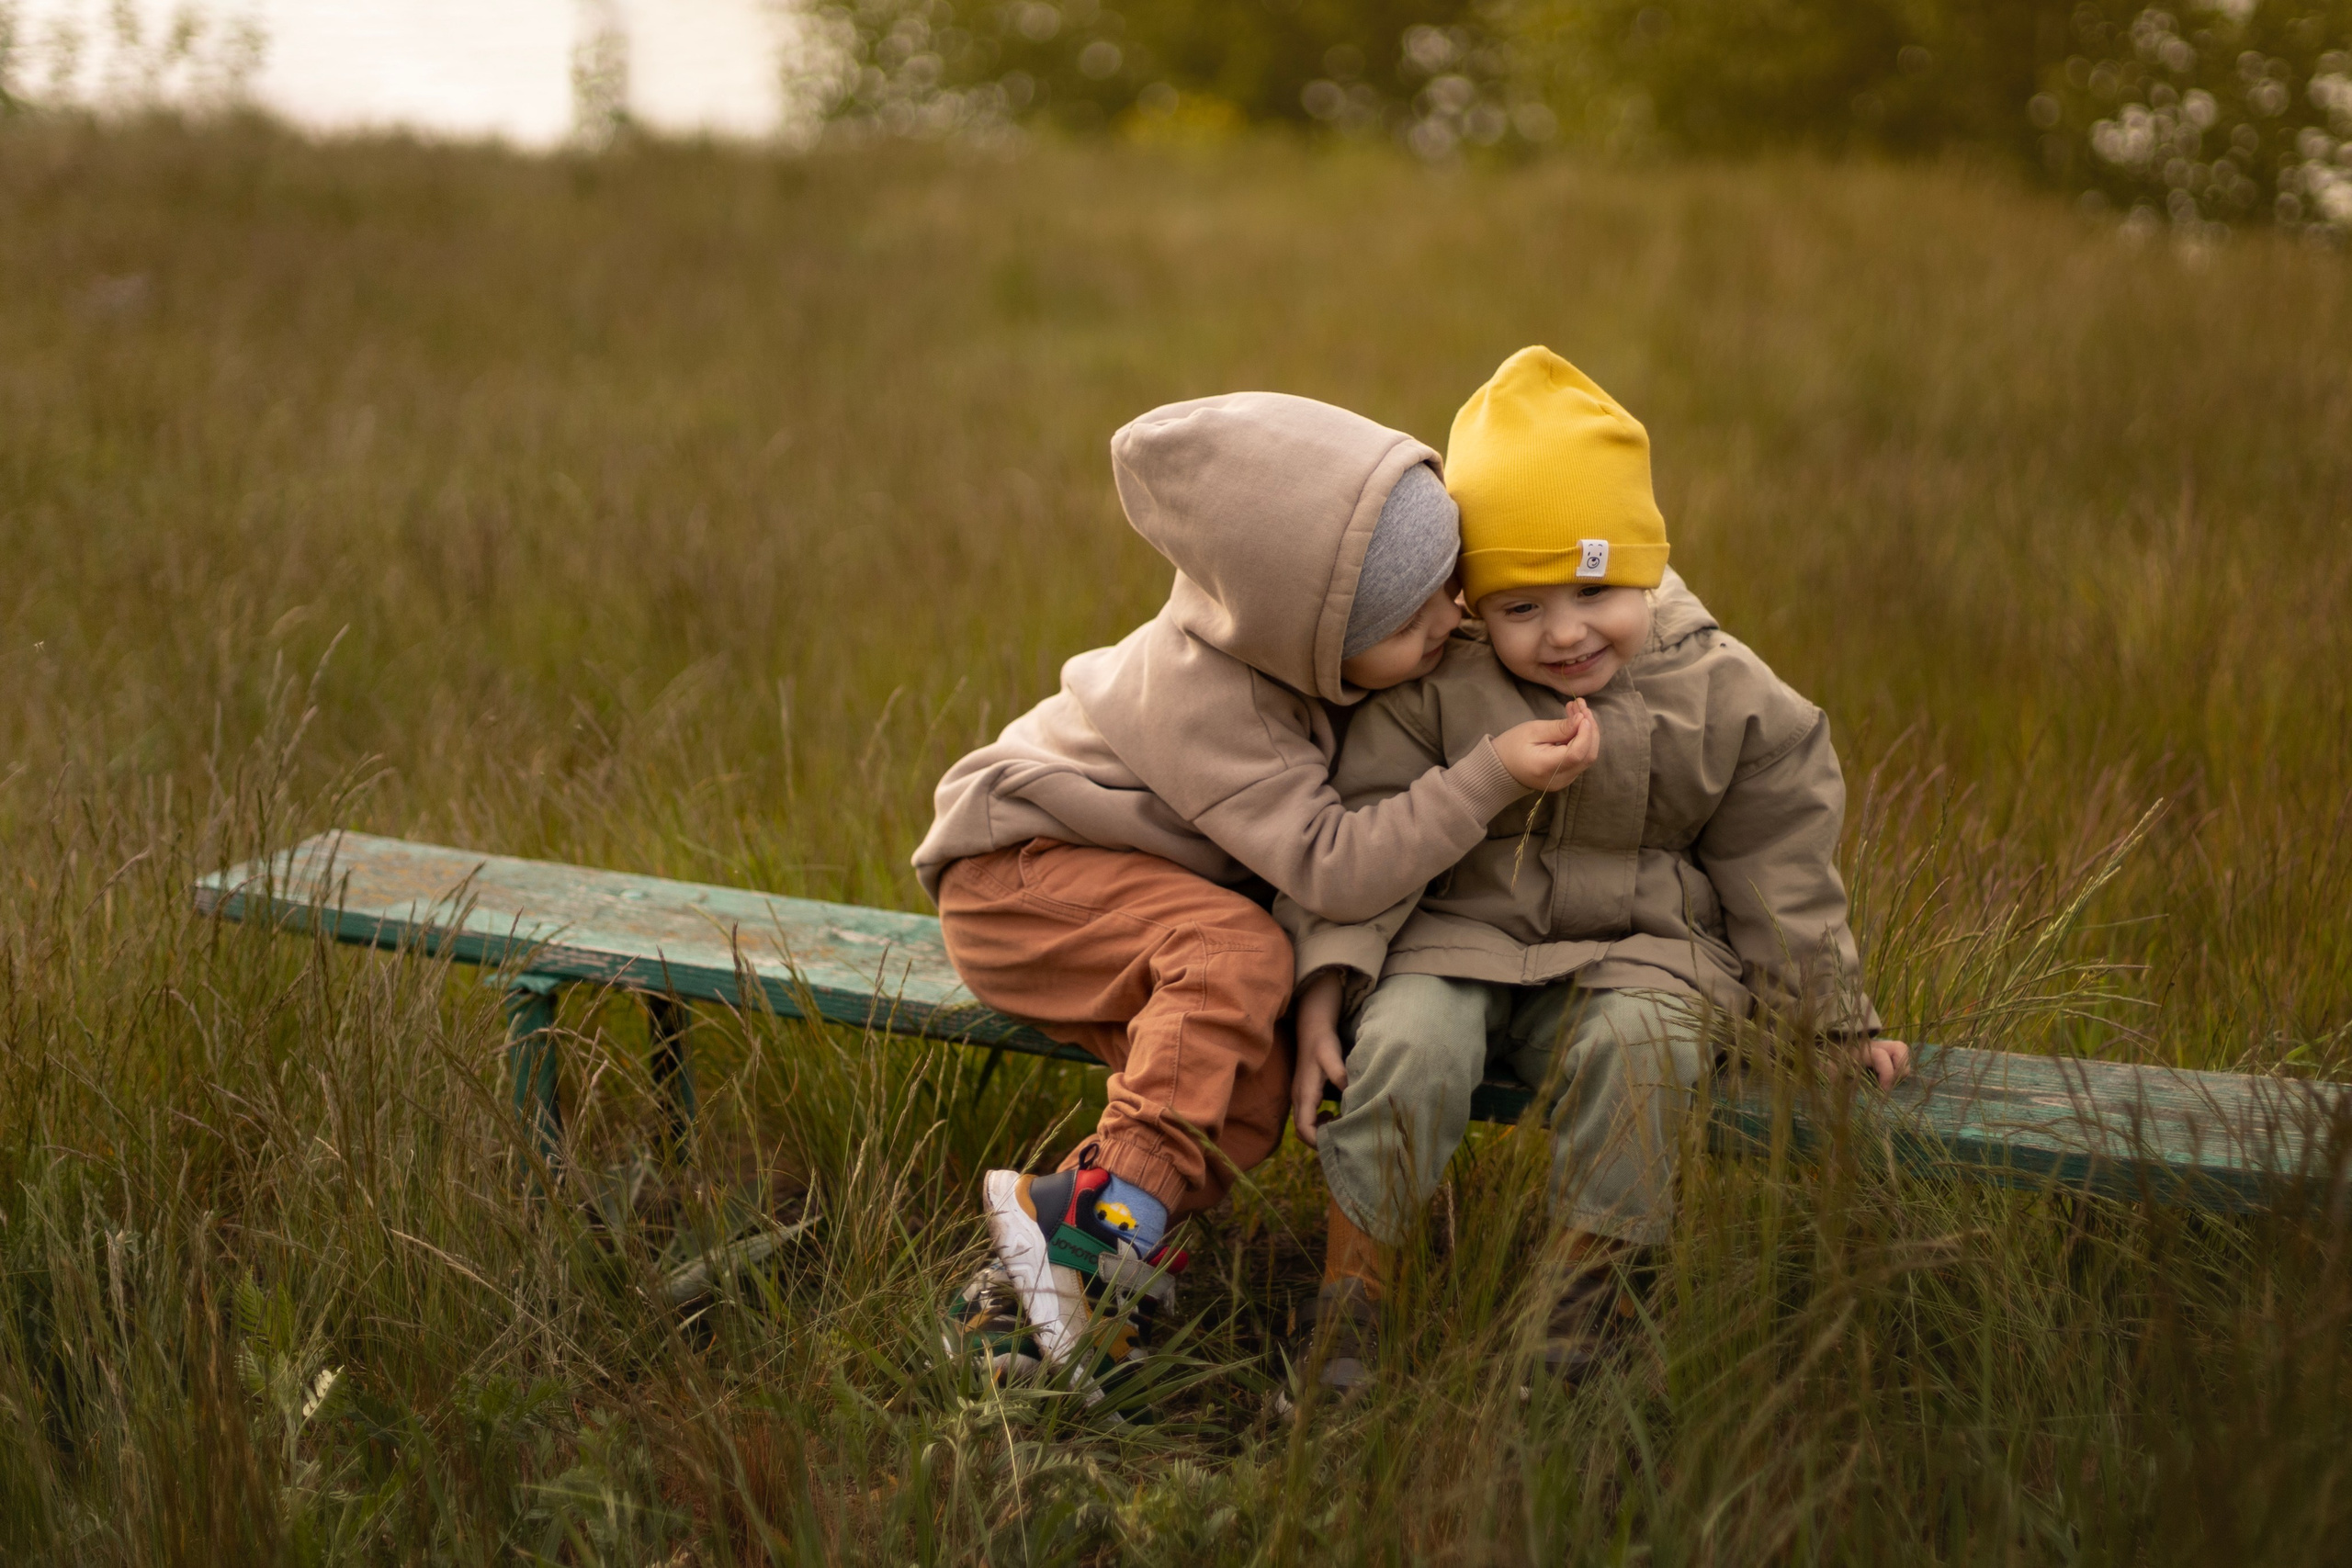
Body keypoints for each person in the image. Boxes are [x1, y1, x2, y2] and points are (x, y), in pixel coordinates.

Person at [912, 390, 1596, 1397]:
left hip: (1135, 896)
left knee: (1253, 1092)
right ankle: (1100, 1241)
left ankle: (1039, 1267)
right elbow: (1332, 864)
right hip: (1019, 877)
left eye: (1449, 587)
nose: (1449, 619)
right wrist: (1486, 776)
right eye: (1411, 617)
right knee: (1234, 955)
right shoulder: (1211, 697)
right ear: (1306, 632)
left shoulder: (1310, 662)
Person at [1284, 347, 1910, 1390]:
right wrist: (1332, 975)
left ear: (1646, 566)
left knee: (1642, 1055)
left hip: (1643, 954)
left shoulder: (1722, 690)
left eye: (1594, 588)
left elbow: (1778, 870)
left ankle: (1584, 1307)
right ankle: (1357, 1294)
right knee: (1406, 1045)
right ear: (1472, 601)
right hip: (1457, 940)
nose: (1566, 632)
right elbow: (1365, 837)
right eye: (1520, 607)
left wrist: (1831, 1020)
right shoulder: (1437, 685)